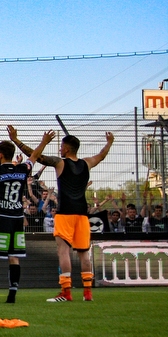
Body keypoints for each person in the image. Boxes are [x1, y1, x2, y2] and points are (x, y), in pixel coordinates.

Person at [11, 129, 114, 302]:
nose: (60, 149)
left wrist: (16, 140)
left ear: (66, 148)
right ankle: (87, 292)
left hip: (65, 212)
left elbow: (35, 156)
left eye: (61, 147)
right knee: (84, 253)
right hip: (82, 214)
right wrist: (109, 143)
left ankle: (66, 291)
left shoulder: (60, 163)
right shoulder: (86, 163)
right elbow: (101, 156)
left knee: (63, 251)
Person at [0, 129, 48, 304]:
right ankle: (12, 295)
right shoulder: (22, 169)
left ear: (0, 154)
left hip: (0, 218)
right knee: (14, 256)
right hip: (17, 218)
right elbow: (33, 157)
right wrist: (44, 142)